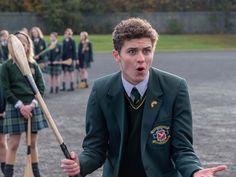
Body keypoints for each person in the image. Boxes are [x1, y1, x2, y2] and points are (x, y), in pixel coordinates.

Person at [61, 18, 227, 177]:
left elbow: (182, 149)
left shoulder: (175, 88)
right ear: (116, 55)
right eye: (132, 51)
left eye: (146, 51)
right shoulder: (101, 90)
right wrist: (79, 164)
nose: (141, 59)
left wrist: (194, 171)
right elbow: (95, 148)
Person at [1, 31, 48, 177]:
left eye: (24, 45)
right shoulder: (6, 66)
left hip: (33, 106)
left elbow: (41, 87)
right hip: (15, 106)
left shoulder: (33, 65)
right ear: (12, 48)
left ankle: (36, 173)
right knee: (13, 143)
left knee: (32, 143)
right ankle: (9, 174)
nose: (21, 48)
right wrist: (20, 106)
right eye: (17, 46)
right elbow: (6, 89)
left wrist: (32, 105)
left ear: (28, 47)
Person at [0, 63, 7, 175]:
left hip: (2, 112)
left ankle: (5, 171)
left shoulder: (3, 69)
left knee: (1, 142)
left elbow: (7, 89)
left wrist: (6, 109)